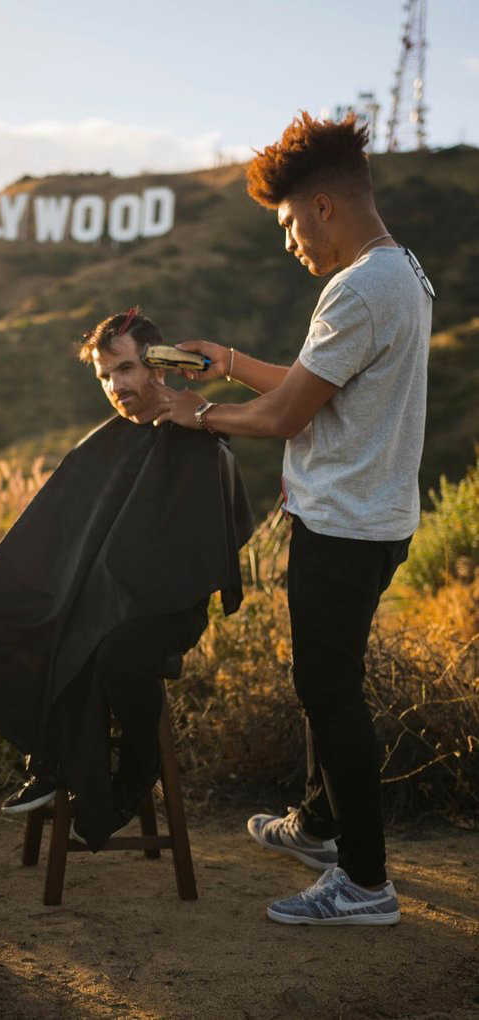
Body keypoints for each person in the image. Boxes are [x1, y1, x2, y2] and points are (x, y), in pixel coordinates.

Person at [150, 112, 433, 925]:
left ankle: (365, 885)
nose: (289, 244)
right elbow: (311, 391)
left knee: (331, 693)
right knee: (327, 687)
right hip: (372, 517)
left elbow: (281, 421)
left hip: (345, 527)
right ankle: (317, 826)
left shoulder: (360, 287)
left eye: (287, 225)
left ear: (322, 207)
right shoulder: (398, 271)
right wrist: (231, 363)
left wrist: (194, 413)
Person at [0, 308, 253, 851]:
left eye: (125, 369)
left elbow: (194, 551)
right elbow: (55, 539)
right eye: (105, 376)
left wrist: (108, 592)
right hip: (94, 595)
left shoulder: (198, 436)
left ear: (159, 367)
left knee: (103, 647)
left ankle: (128, 772)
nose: (116, 386)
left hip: (163, 605)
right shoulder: (102, 445)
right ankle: (51, 757)